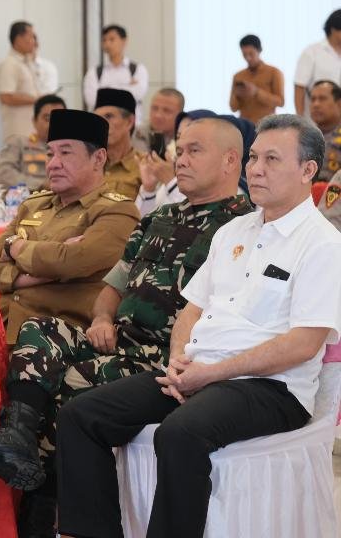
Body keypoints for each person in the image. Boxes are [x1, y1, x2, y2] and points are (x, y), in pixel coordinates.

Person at [0, 118, 251, 538]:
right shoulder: (158, 217)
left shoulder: (240, 226)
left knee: (67, 386)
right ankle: (15, 439)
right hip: (118, 339)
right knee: (40, 330)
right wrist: (104, 317)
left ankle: (42, 514)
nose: (180, 158)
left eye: (194, 150)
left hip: (167, 357)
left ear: (231, 160)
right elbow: (114, 283)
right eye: (180, 149)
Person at [56, 114, 341, 538]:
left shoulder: (322, 245)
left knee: (181, 433)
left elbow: (302, 344)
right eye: (254, 157)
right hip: (201, 372)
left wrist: (209, 374)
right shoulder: (233, 231)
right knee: (82, 415)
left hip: (271, 388)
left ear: (307, 170)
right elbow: (190, 311)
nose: (256, 168)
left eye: (272, 159)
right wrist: (179, 363)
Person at [0, 109, 140, 345]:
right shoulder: (32, 205)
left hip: (54, 343)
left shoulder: (117, 211)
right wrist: (27, 278)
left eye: (66, 153)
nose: (53, 164)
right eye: (50, 153)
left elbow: (71, 261)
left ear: (99, 159)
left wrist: (15, 247)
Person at [0, 94, 65, 192]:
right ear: (34, 121)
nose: (53, 124)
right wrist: (41, 185)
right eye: (47, 119)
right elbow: (4, 174)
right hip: (27, 199)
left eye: (59, 119)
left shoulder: (72, 149)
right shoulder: (18, 142)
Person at [83, 25, 149, 116]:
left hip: (131, 123)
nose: (107, 44)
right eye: (104, 40)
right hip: (103, 122)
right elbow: (91, 100)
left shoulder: (138, 69)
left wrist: (105, 92)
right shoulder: (94, 72)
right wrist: (126, 88)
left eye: (112, 39)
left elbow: (137, 94)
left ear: (124, 41)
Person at [0, 21, 43, 142]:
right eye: (31, 36)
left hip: (31, 130)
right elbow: (6, 97)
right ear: (18, 38)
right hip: (18, 131)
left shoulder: (27, 62)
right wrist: (37, 100)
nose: (34, 41)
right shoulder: (9, 64)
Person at [94, 87, 144, 198]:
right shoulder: (89, 165)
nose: (101, 124)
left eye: (108, 116)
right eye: (97, 118)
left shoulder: (144, 166)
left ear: (129, 121)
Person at [294, 9, 341, 117]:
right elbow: (299, 88)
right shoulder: (312, 52)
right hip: (315, 122)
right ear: (334, 30)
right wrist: (300, 120)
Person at [229, 34, 284, 123]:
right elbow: (233, 108)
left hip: (266, 126)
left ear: (259, 50)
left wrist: (256, 92)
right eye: (244, 54)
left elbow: (280, 102)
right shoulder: (238, 76)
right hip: (245, 127)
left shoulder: (274, 72)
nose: (248, 58)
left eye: (251, 53)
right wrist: (237, 95)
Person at [131, 88, 184, 157]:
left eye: (166, 110)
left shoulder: (187, 137)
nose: (158, 115)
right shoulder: (134, 133)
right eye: (154, 108)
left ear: (180, 115)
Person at [308, 80, 341, 181]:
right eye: (313, 99)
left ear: (339, 104)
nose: (316, 104)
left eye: (322, 99)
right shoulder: (302, 138)